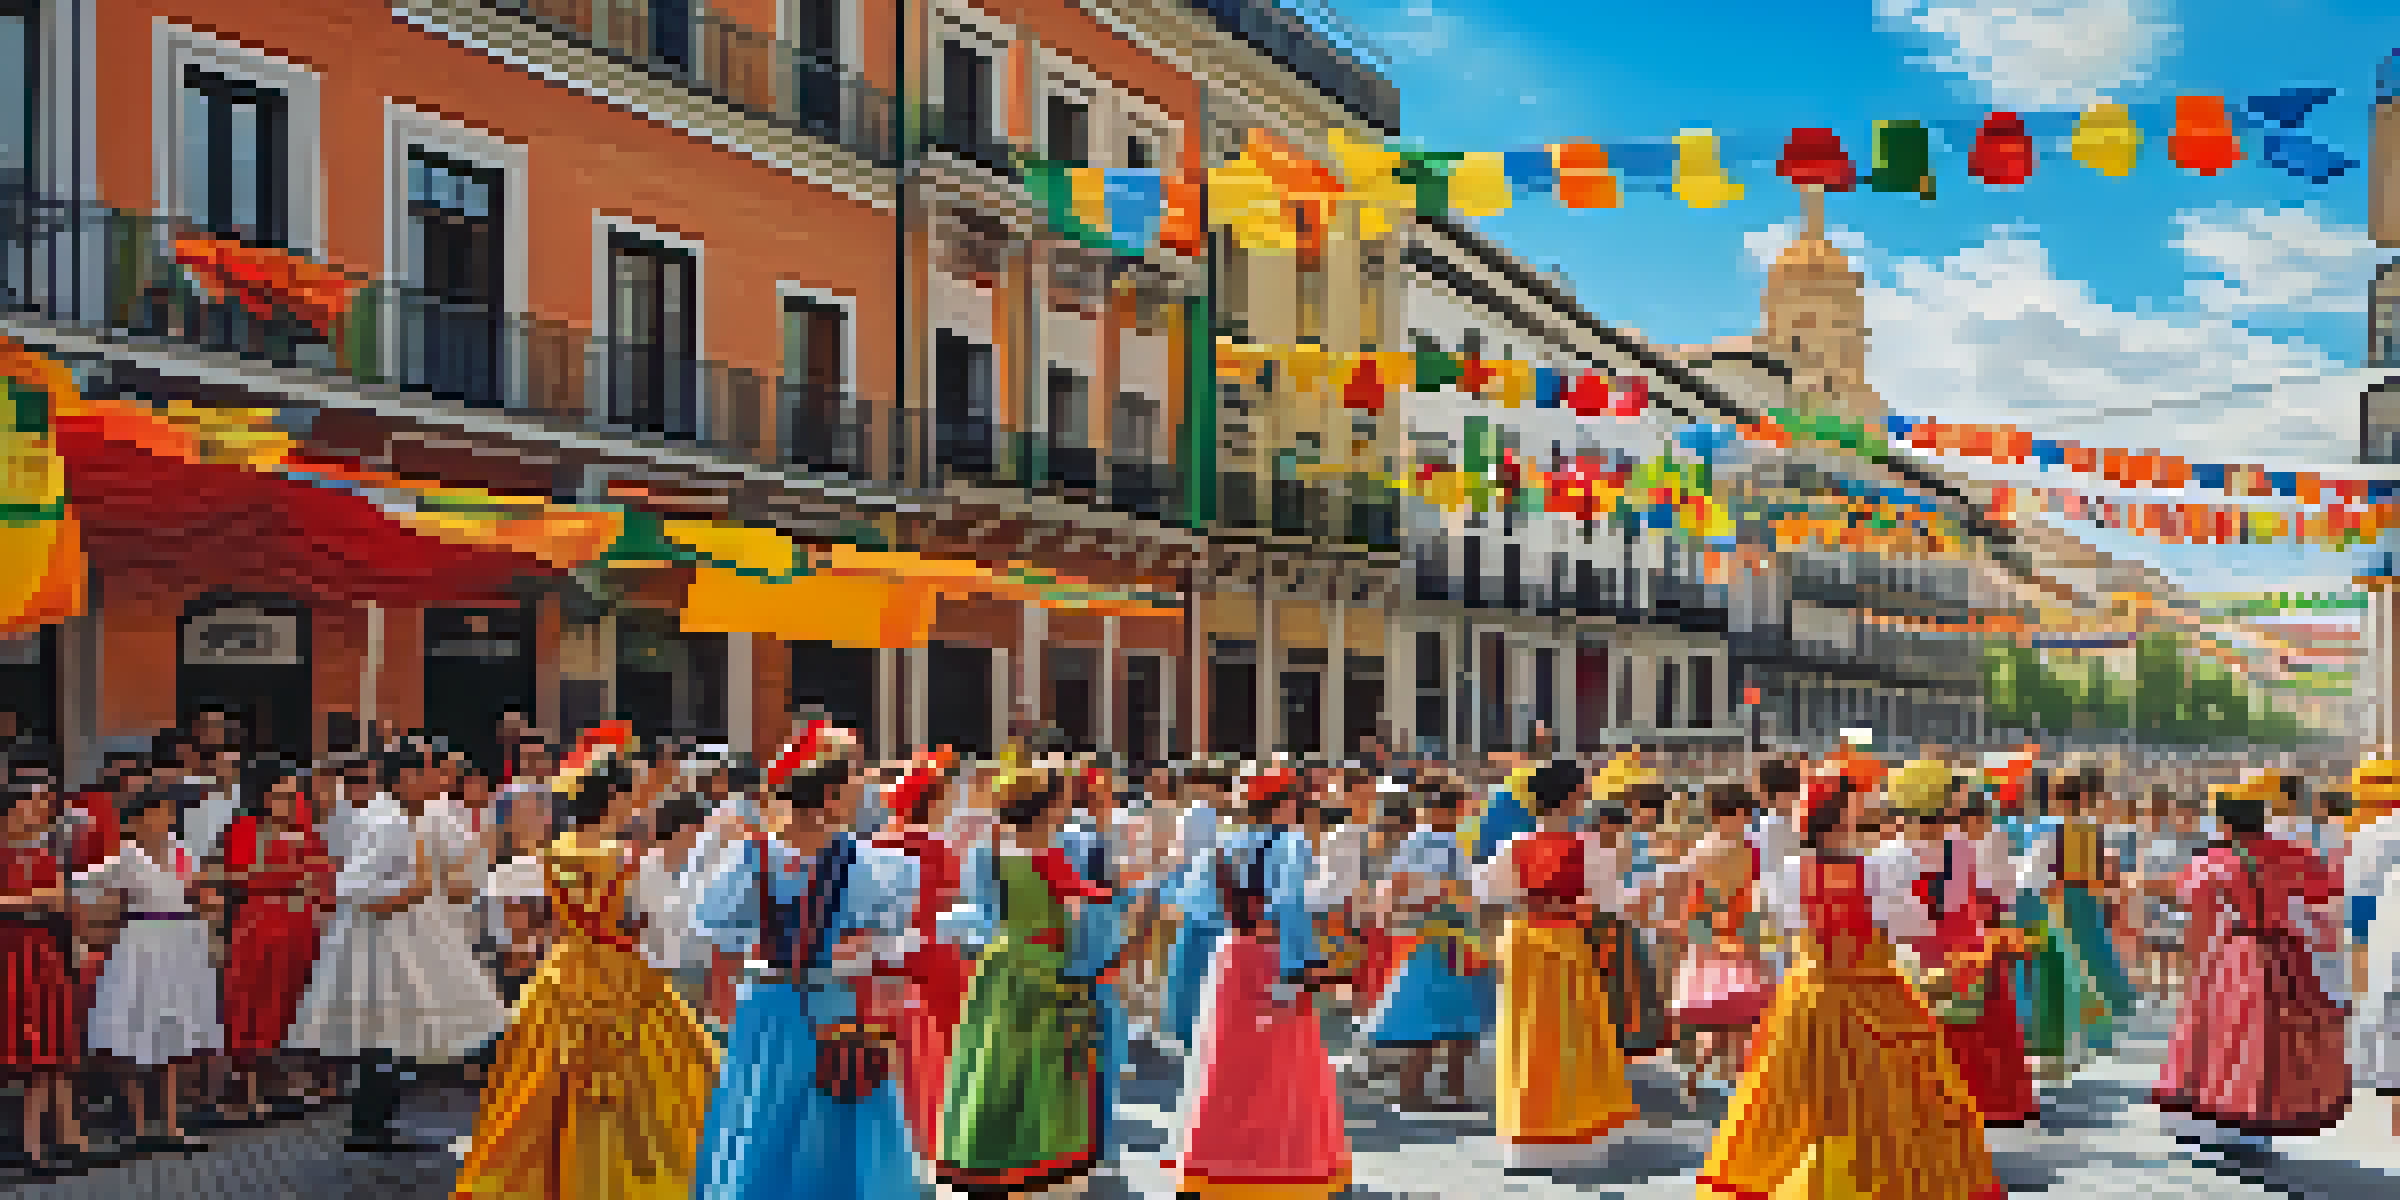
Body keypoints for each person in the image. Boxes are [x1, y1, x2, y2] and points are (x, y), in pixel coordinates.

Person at [1698, 770, 2002, 1200]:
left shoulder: (1786, 871)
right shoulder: (1879, 868)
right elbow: (1911, 925)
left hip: (1811, 991)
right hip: (1874, 990)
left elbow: (1787, 928)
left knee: (1801, 1097)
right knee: (1893, 1096)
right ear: (1844, 817)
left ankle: (1808, 1179)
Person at [450, 756, 723, 1200]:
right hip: (624, 976)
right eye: (629, 793)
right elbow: (665, 926)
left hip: (564, 974)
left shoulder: (550, 855)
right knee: (650, 1090)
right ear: (612, 799)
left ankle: (552, 1177)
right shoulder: (635, 860)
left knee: (541, 1087)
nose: (636, 802)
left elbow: (537, 923)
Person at [690, 748, 921, 1200]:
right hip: (829, 1003)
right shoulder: (859, 860)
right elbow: (885, 935)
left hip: (768, 1005)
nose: (860, 798)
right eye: (852, 788)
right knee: (829, 1115)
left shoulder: (751, 856)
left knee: (763, 1113)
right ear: (830, 796)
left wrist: (721, 1005)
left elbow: (719, 935)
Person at [285, 748, 509, 1152]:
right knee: (388, 1028)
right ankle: (369, 1124)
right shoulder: (386, 821)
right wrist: (406, 896)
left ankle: (373, 1122)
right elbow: (352, 886)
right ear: (406, 778)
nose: (441, 784)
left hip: (410, 935)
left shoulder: (410, 816)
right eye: (431, 776)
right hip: (386, 940)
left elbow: (445, 872)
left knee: (398, 1029)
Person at [937, 761, 1124, 1195]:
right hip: (1045, 965)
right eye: (1062, 800)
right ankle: (1033, 1154)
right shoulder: (1052, 857)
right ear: (1048, 808)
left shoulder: (992, 851)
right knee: (1042, 1066)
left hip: (1002, 963)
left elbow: (982, 913)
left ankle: (985, 1151)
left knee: (995, 1062)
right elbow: (1087, 908)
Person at [1172, 767, 1351, 1200]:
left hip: (1233, 956)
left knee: (1226, 1067)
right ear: (1289, 801)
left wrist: (1238, 921)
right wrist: (1301, 964)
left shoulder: (1223, 843)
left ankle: (1215, 1164)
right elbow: (1289, 902)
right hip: (1274, 958)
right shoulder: (1290, 842)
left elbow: (1190, 901)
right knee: (1283, 1069)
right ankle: (1276, 1167)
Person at [2153, 773, 2350, 1149]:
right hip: (2285, 952)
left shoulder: (2212, 860)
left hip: (2235, 951)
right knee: (2274, 1041)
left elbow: (2197, 917)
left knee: (2223, 1036)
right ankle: (2262, 1120)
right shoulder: (2293, 853)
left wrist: (2195, 968)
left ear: (2225, 822)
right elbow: (2326, 893)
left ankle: (2224, 1117)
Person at [1472, 760, 1641, 1170]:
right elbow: (1611, 904)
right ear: (1571, 796)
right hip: (1568, 943)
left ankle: (1528, 1130)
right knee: (1575, 1038)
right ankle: (1574, 1128)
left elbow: (1485, 889)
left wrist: (1529, 902)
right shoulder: (1591, 846)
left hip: (1526, 944)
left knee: (1527, 1038)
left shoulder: (1516, 844)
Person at [74, 781, 224, 1152]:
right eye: (158, 812)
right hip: (141, 942)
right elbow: (83, 886)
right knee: (131, 1029)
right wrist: (94, 925)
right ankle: (139, 1124)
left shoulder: (181, 851)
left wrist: (208, 905)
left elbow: (201, 887)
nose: (166, 818)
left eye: (168, 812)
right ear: (139, 820)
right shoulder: (126, 855)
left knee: (174, 1032)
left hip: (180, 941)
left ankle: (171, 1125)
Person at [1359, 771, 1493, 1111]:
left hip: (1437, 935)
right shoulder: (1433, 842)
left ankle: (1433, 1092)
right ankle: (1424, 1092)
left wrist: (1391, 922)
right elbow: (1441, 890)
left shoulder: (1429, 842)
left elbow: (1394, 888)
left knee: (1445, 1017)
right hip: (1442, 937)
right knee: (1443, 1017)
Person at [210, 761, 333, 1123]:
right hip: (258, 925)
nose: (291, 800)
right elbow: (238, 875)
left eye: (294, 793)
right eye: (282, 794)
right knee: (253, 1003)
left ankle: (284, 1083)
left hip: (300, 926)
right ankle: (244, 1090)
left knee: (292, 1004)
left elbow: (321, 873)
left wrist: (313, 893)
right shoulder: (246, 826)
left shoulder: (305, 828)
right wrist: (291, 878)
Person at [862, 751, 968, 1164]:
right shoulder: (938, 847)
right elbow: (950, 902)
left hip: (884, 956)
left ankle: (891, 1135)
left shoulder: (874, 844)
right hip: (930, 953)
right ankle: (930, 1136)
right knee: (938, 1045)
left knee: (888, 1048)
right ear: (933, 801)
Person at [1667, 783, 1774, 1106]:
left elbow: (1686, 897)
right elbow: (1756, 899)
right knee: (1739, 1017)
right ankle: (1730, 1084)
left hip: (1707, 937)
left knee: (1719, 1017)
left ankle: (1699, 1080)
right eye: (1744, 812)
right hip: (1738, 935)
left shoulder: (1699, 849)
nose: (1745, 818)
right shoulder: (1750, 850)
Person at [0, 779, 85, 1171]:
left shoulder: (41, 854)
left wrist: (22, 901)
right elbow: (47, 897)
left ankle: (39, 1144)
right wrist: (29, 900)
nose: (35, 813)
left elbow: (59, 899)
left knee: (45, 1048)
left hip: (38, 949)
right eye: (26, 807)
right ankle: (33, 1145)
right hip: (9, 951)